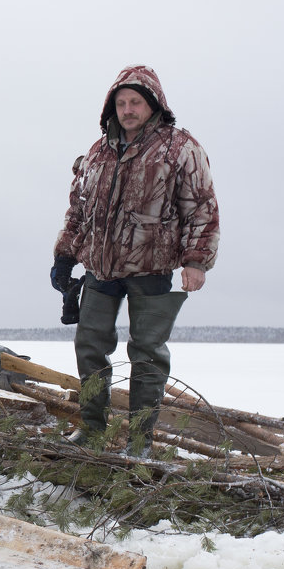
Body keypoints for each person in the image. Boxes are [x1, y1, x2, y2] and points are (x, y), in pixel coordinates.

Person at [51, 65, 219, 457]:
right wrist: (64, 255)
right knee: (90, 347)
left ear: (153, 104)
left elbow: (202, 208)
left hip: (152, 268)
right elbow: (78, 209)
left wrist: (196, 261)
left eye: (135, 102)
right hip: (101, 269)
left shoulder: (180, 148)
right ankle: (92, 430)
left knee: (147, 354)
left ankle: (139, 442)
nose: (127, 109)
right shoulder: (98, 151)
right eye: (121, 102)